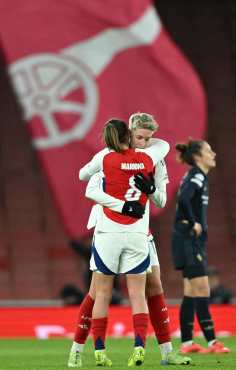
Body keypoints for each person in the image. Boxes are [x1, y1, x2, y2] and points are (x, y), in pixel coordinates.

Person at [68, 113, 191, 367]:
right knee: (96, 292)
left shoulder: (154, 160)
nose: (145, 142)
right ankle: (78, 348)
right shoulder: (108, 155)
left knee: (154, 287)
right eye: (140, 137)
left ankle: (167, 353)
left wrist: (152, 189)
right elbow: (91, 188)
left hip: (141, 232)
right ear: (129, 134)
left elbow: (161, 202)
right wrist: (124, 206)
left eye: (148, 138)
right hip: (111, 227)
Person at [171, 139, 230, 354]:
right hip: (188, 240)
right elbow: (184, 198)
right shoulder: (196, 175)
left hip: (188, 240)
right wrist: (193, 221)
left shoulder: (197, 176)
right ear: (198, 156)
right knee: (202, 288)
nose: (213, 153)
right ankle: (213, 342)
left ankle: (187, 343)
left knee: (191, 291)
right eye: (209, 150)